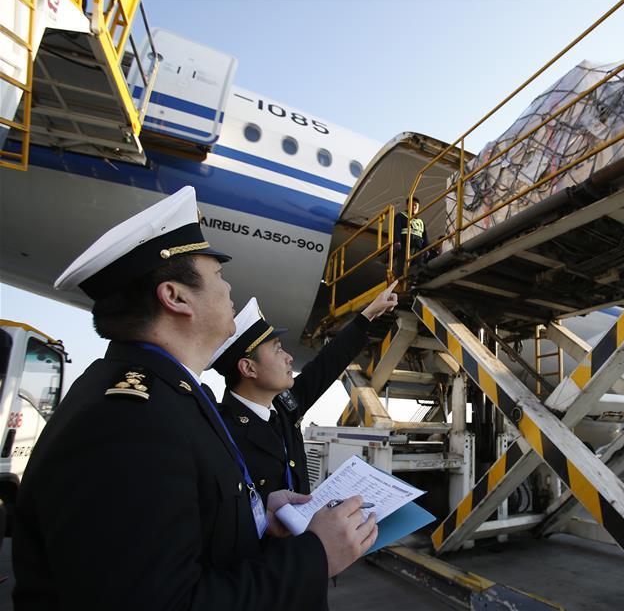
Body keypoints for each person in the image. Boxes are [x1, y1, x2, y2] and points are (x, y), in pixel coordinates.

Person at [12, 187, 376, 611]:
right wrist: (315, 555)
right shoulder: (127, 421)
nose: (228, 287)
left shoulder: (173, 398)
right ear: (176, 297)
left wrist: (259, 515)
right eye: (218, 274)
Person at [208, 283, 398, 503]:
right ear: (249, 368)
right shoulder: (221, 433)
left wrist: (369, 313)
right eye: (277, 349)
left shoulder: (283, 406)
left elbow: (326, 364)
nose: (289, 357)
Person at [393, 196, 429, 276]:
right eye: (412, 205)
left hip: (418, 248)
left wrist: (426, 248)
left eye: (416, 205)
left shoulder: (421, 222)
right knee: (403, 266)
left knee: (417, 266)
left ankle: (414, 279)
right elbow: (396, 229)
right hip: (405, 246)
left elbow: (425, 236)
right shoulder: (400, 216)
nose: (414, 207)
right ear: (407, 205)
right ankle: (400, 278)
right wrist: (397, 241)